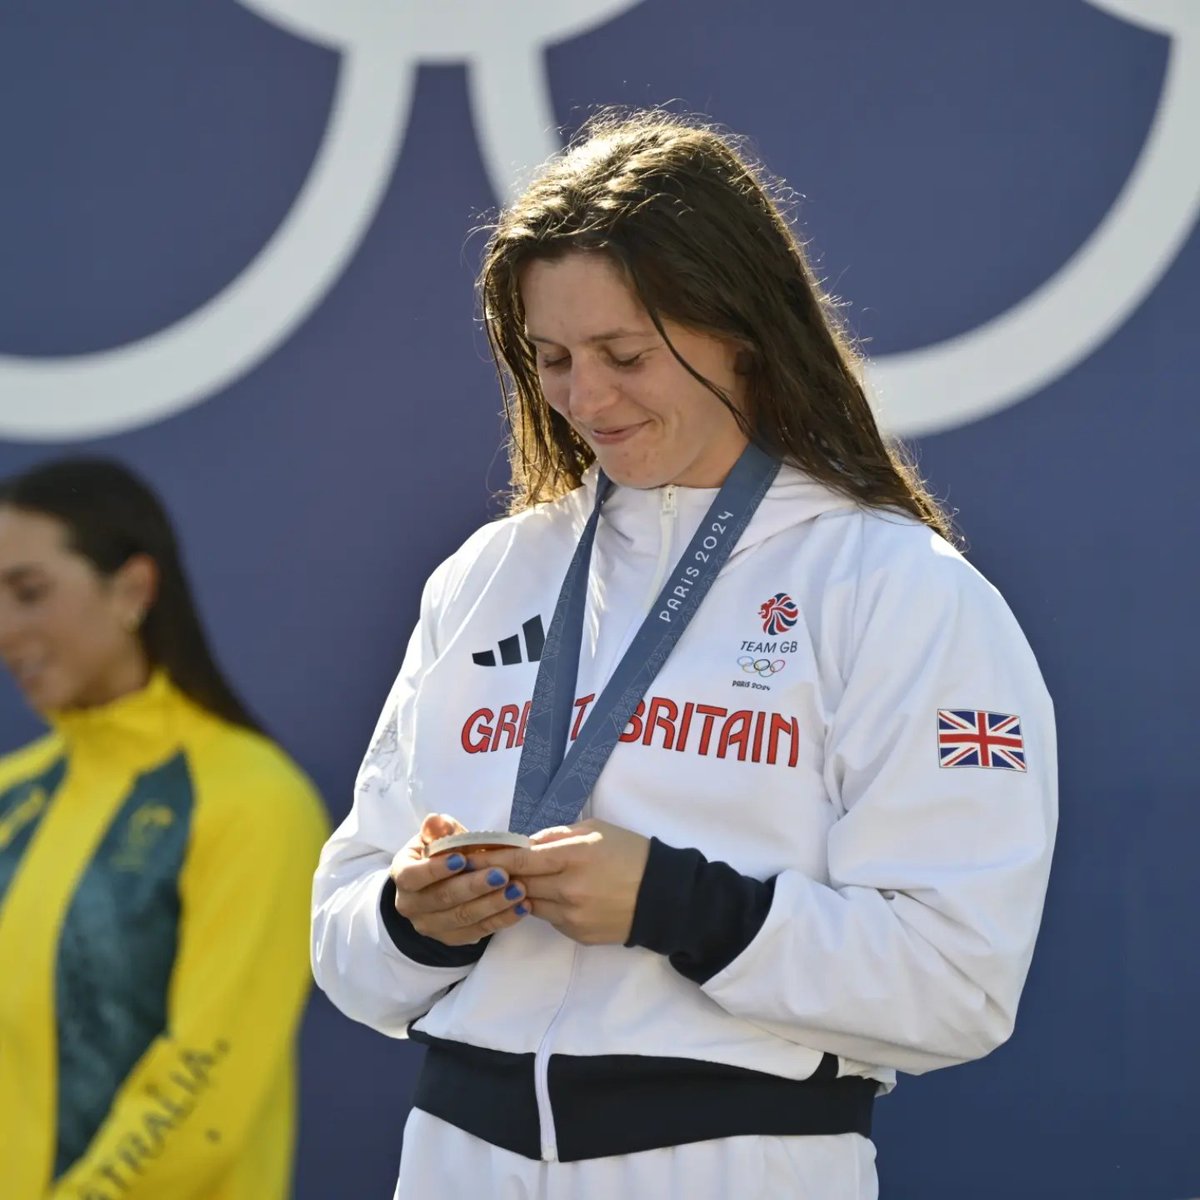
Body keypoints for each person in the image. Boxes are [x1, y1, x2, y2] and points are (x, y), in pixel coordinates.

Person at [311, 110, 1057, 1199]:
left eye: (626, 354)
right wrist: (409, 919)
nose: (586, 399)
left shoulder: (897, 588)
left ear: (741, 329)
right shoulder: (488, 575)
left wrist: (672, 903)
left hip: (731, 1158)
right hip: (458, 1155)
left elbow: (959, 982)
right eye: (553, 358)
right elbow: (344, 945)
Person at [0, 458, 329, 1200]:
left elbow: (200, 1084)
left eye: (28, 592)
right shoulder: (13, 791)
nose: (4, 627)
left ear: (133, 589)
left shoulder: (254, 800)